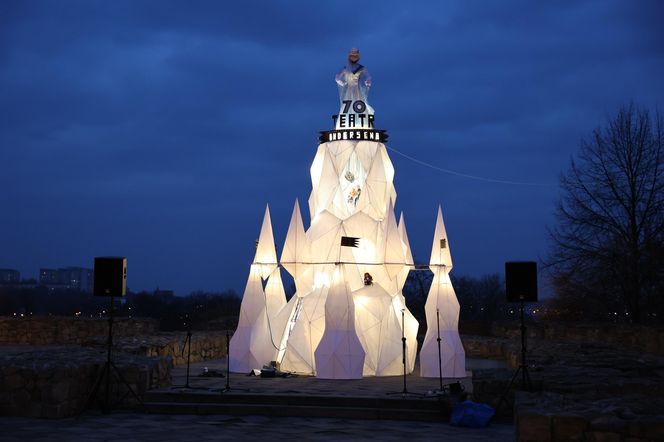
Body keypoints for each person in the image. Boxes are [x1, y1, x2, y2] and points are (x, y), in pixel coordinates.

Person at [335, 48, 374, 128]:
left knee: (358, 103)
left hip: (357, 89)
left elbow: (368, 76)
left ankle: (360, 122)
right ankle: (348, 122)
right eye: (352, 55)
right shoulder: (345, 68)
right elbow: (337, 77)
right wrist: (342, 82)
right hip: (349, 89)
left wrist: (368, 81)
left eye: (355, 55)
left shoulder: (361, 68)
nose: (354, 57)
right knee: (348, 105)